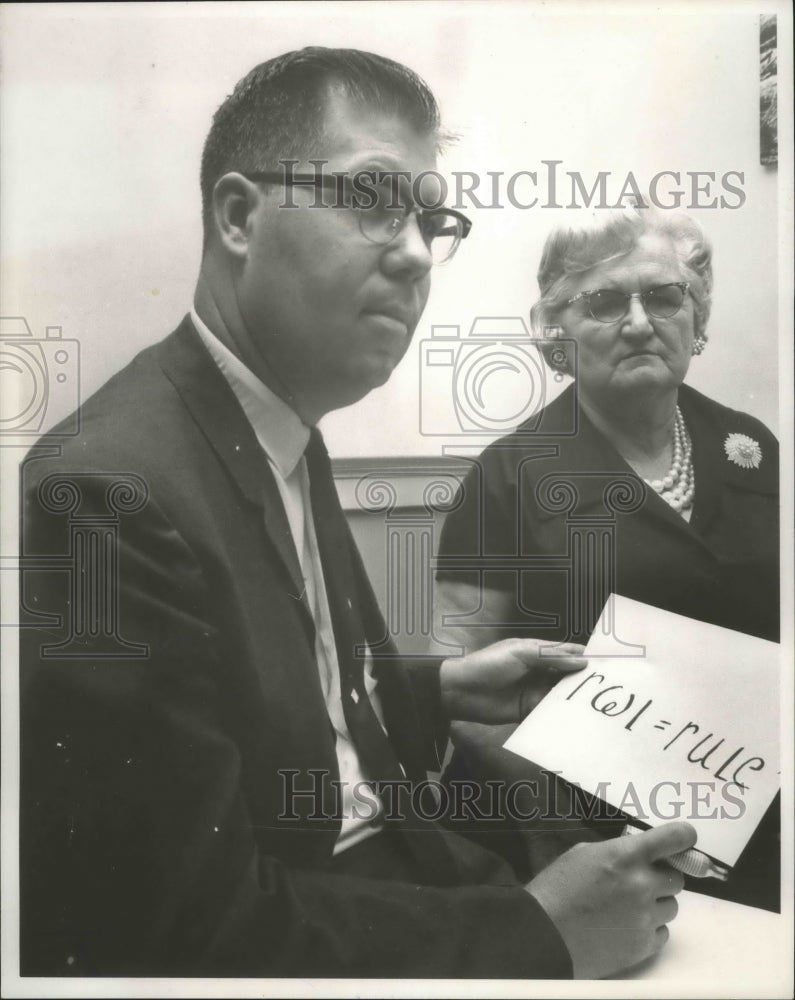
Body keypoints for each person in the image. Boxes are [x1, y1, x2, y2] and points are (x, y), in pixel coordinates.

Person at [19, 49, 695, 980]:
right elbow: (168, 928)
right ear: (237, 216)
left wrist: (439, 687)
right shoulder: (103, 491)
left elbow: (279, 711)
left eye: (430, 217)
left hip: (400, 877)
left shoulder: (279, 423)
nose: (417, 251)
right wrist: (538, 934)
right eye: (373, 197)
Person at [433, 205, 780, 912]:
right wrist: (553, 831)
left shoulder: (749, 446)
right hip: (578, 842)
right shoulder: (508, 473)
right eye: (602, 302)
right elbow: (459, 690)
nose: (637, 321)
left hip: (754, 827)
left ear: (696, 317)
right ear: (557, 333)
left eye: (662, 295)